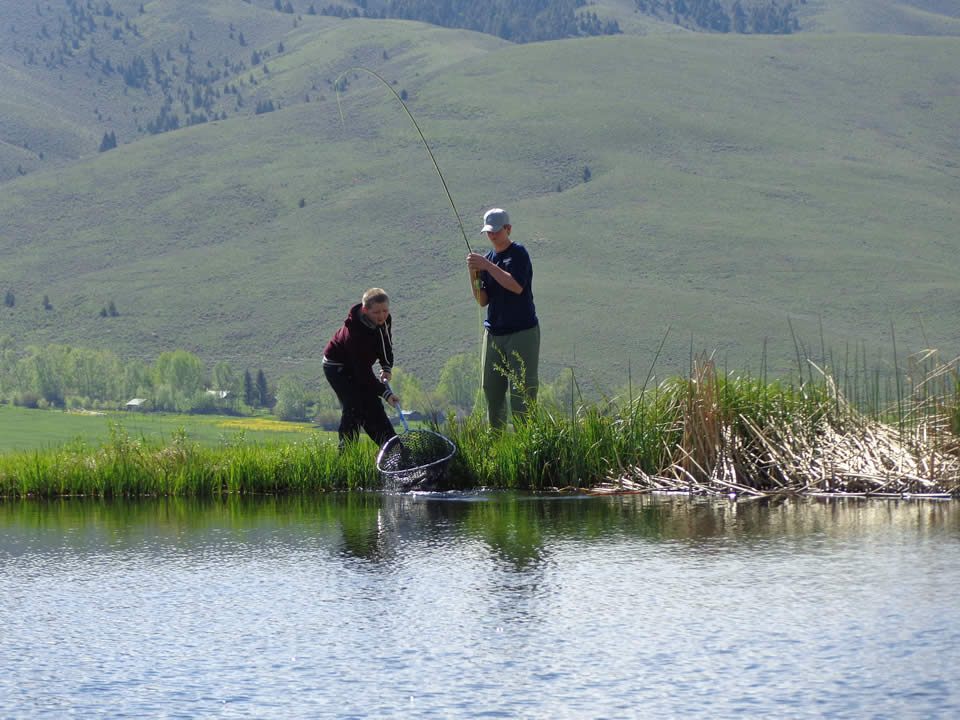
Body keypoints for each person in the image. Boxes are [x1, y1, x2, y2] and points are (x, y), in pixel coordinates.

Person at [466, 207, 540, 429]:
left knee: (522, 390)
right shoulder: (488, 260)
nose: (492, 235)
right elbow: (482, 300)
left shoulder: (519, 254)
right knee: (491, 389)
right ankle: (496, 439)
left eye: (496, 231)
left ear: (508, 229)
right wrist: (473, 273)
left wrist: (487, 266)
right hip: (494, 333)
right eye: (488, 232)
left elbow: (516, 286)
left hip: (522, 332)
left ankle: (526, 438)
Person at [322, 288, 400, 448]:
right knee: (354, 405)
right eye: (376, 312)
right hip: (337, 367)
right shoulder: (355, 334)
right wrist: (385, 393)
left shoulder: (385, 320)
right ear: (365, 310)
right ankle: (347, 452)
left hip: (358, 365)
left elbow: (385, 344)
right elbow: (363, 373)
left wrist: (386, 367)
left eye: (385, 311)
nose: (381, 316)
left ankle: (393, 448)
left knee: (372, 404)